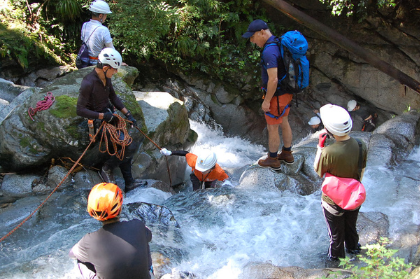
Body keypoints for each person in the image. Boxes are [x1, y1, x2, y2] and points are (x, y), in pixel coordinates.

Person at [76, 48, 140, 191]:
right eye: (113, 69)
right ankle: (107, 168)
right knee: (129, 146)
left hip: (108, 116)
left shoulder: (106, 78)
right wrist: (102, 116)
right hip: (98, 121)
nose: (115, 72)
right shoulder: (88, 82)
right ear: (105, 67)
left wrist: (128, 114)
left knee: (125, 144)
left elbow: (113, 97)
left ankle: (129, 182)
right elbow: (80, 110)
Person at [313, 104, 367, 262]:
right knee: (351, 228)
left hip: (332, 200)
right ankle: (354, 250)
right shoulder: (361, 144)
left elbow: (318, 171)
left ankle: (337, 264)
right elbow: (361, 170)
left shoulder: (329, 152)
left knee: (336, 236)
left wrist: (320, 147)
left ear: (328, 130)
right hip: (354, 195)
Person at [69, 182, 154, 279]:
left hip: (88, 248)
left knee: (80, 259)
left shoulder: (89, 241)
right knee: (144, 238)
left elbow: (72, 254)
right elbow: (149, 236)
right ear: (120, 207)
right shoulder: (138, 225)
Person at [242, 19, 294, 170]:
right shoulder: (278, 43)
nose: (252, 41)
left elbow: (273, 80)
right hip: (287, 93)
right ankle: (287, 154)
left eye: (253, 37)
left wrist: (267, 101)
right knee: (284, 121)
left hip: (276, 96)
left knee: (273, 127)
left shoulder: (269, 51)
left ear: (262, 32)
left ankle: (273, 159)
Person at [160, 148, 229, 191]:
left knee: (209, 192)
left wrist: (227, 185)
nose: (201, 171)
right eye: (200, 168)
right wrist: (169, 152)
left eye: (204, 170)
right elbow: (186, 153)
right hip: (196, 176)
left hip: (210, 179)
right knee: (196, 193)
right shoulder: (194, 161)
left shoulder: (219, 172)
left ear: (211, 168)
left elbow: (226, 180)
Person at [81, 0, 114, 67]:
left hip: (85, 62)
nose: (106, 17)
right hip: (99, 65)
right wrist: (119, 62)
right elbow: (111, 49)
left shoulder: (85, 25)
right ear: (101, 16)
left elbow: (83, 40)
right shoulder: (103, 30)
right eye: (106, 15)